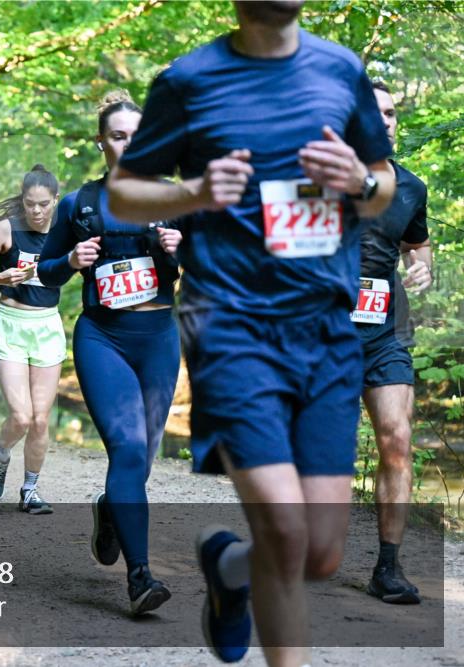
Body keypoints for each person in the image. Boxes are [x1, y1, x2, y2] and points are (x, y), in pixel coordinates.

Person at [106, 1, 396, 664]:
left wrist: (358, 179)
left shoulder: (340, 69)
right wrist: (198, 190)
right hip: (229, 325)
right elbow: (123, 193)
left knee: (320, 551)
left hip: (325, 328)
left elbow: (381, 187)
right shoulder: (190, 80)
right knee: (287, 528)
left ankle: (229, 565)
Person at [39, 91, 183, 614]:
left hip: (160, 340)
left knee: (140, 462)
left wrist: (180, 250)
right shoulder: (79, 203)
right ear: (101, 142)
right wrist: (71, 259)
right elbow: (46, 271)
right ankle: (140, 577)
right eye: (118, 137)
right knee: (126, 449)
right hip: (102, 339)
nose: (128, 146)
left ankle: (109, 508)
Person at [356, 81, 432, 605]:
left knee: (397, 440)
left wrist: (421, 268)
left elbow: (418, 244)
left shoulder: (410, 188)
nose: (383, 120)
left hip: (385, 330)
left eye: (390, 112)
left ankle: (388, 567)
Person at [0, 165, 63, 515]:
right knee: (21, 417)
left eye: (43, 204)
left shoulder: (63, 232)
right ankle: (1, 455)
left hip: (48, 328)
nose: (36, 211)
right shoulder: (8, 229)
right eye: (29, 203)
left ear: (55, 200)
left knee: (40, 419)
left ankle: (30, 490)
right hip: (12, 325)